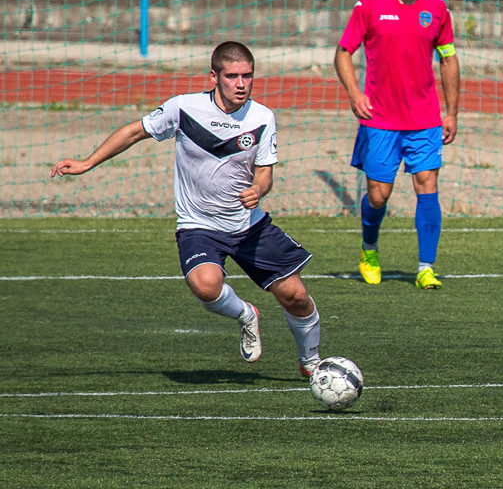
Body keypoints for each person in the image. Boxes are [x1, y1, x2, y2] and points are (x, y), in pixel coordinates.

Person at [51, 42, 322, 375]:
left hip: (248, 226)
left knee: (296, 296)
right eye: (232, 76)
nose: (241, 84)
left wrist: (258, 189)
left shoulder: (262, 117)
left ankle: (312, 364)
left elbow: (265, 172)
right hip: (199, 225)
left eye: (247, 76)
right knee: (206, 286)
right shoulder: (184, 108)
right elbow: (135, 132)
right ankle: (245, 314)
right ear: (214, 77)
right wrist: (87, 162)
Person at [334, 0, 461, 290]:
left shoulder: (437, 10)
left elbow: (449, 60)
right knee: (378, 196)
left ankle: (425, 267)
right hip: (380, 120)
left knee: (427, 185)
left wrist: (452, 113)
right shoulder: (369, 6)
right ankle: (369, 249)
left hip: (425, 119)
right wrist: (355, 94)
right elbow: (343, 52)